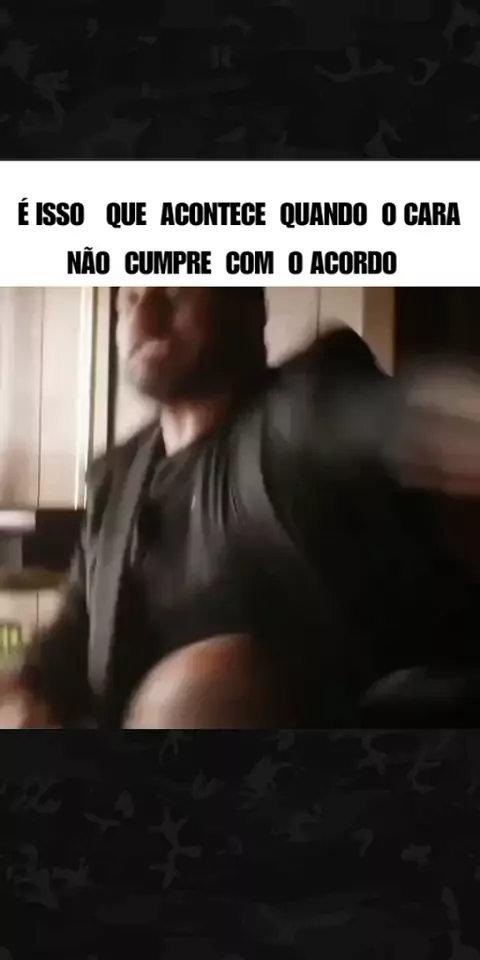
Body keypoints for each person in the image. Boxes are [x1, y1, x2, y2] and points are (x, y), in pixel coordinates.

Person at [1, 287, 477, 729]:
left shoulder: (304, 409)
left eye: (174, 285)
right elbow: (71, 637)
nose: (145, 316)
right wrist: (27, 690)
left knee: (205, 688)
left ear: (249, 304)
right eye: (129, 297)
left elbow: (388, 414)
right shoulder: (114, 479)